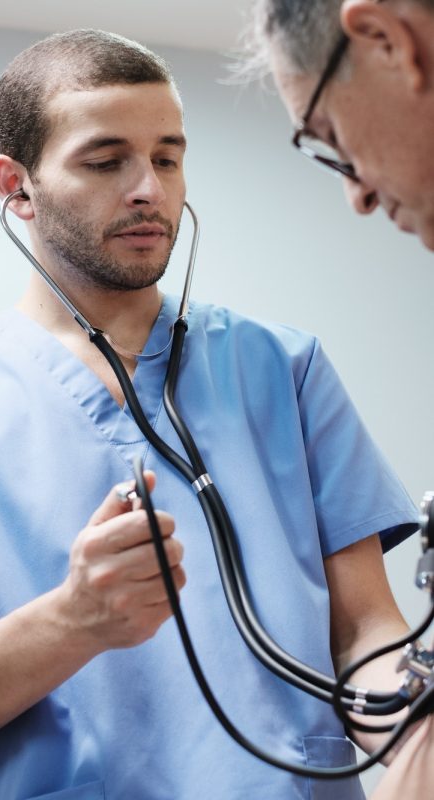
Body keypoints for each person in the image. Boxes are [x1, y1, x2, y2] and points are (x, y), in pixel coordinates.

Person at [0, 28, 419, 800]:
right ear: (15, 186)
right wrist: (73, 619)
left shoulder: (283, 367)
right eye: (105, 161)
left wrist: (417, 732)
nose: (149, 191)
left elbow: (366, 629)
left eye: (167, 157)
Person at [243, 1, 434, 796]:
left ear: (388, 40)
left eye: (327, 139)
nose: (354, 193)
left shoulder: (285, 364)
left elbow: (368, 629)